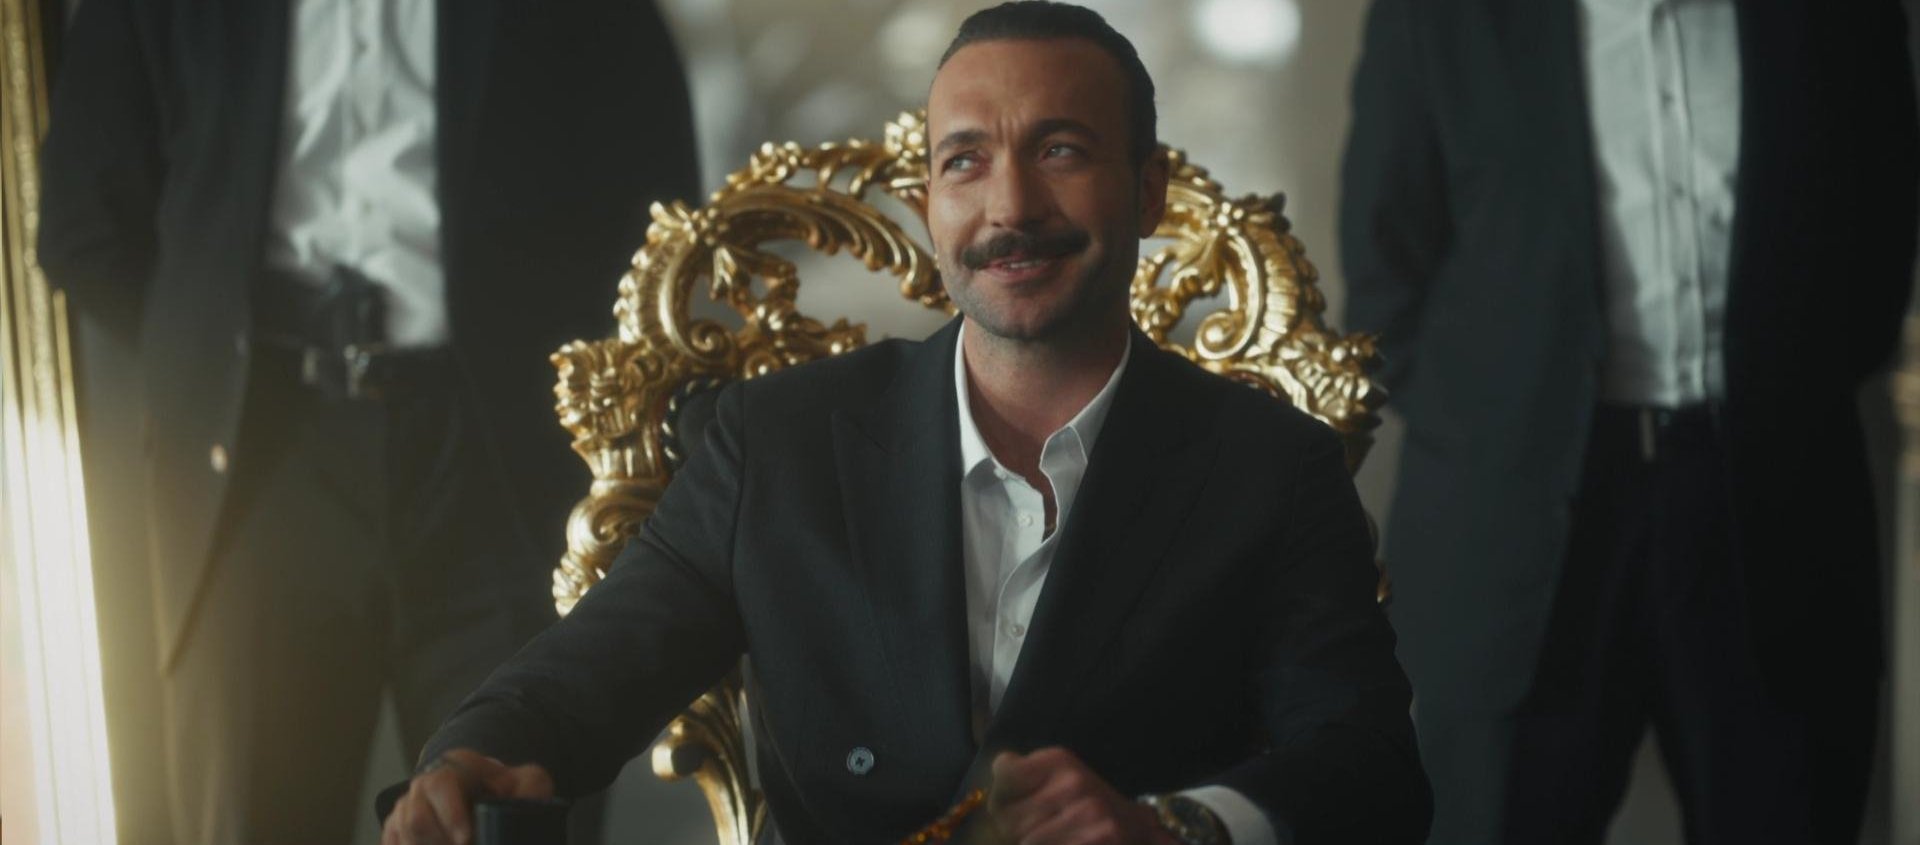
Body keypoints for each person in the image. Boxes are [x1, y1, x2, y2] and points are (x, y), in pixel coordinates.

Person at [380, 3, 1431, 844]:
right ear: (929, 201)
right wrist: (470, 756)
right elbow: (580, 682)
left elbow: (1371, 767)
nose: (1009, 207)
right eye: (964, 161)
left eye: (1061, 149)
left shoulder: (1270, 466)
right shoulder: (775, 442)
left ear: (1148, 190)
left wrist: (1176, 826)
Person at [35, 0, 700, 842]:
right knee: (254, 820)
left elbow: (656, 202)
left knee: (503, 813)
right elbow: (83, 225)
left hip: (504, 460)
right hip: (259, 461)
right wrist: (211, 360)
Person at [1340, 0, 1919, 842]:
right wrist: (1500, 431)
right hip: (1517, 524)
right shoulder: (1439, 18)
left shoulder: (1837, 17)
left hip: (1775, 506)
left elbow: (1880, 246)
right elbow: (1384, 277)